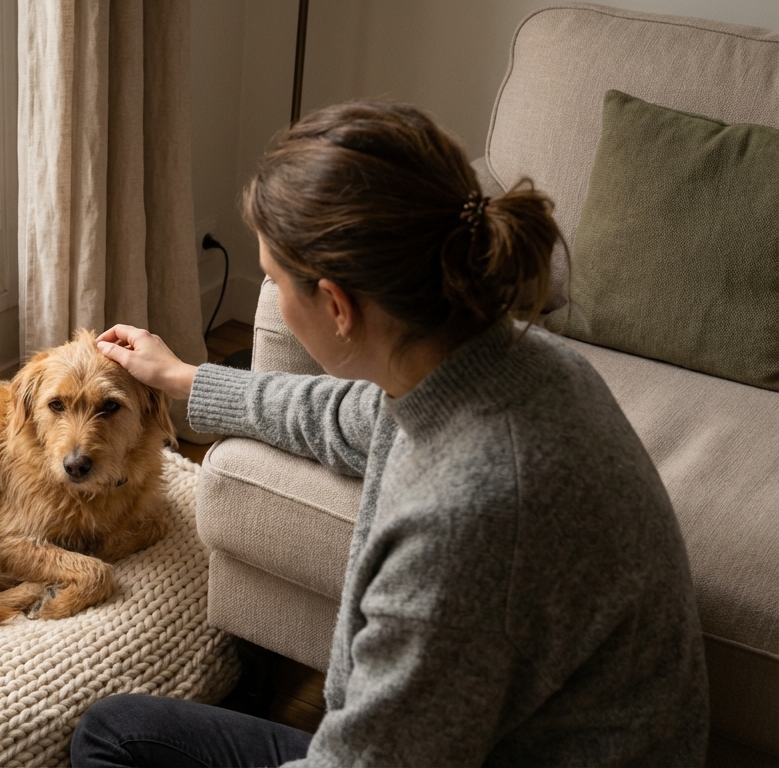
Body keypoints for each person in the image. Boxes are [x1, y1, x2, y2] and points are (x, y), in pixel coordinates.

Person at [75, 101, 708, 767]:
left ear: (338, 307)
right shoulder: (505, 365)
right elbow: (343, 415)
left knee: (111, 749)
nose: (272, 295)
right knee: (117, 730)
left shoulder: (465, 523)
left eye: (272, 277)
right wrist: (183, 378)